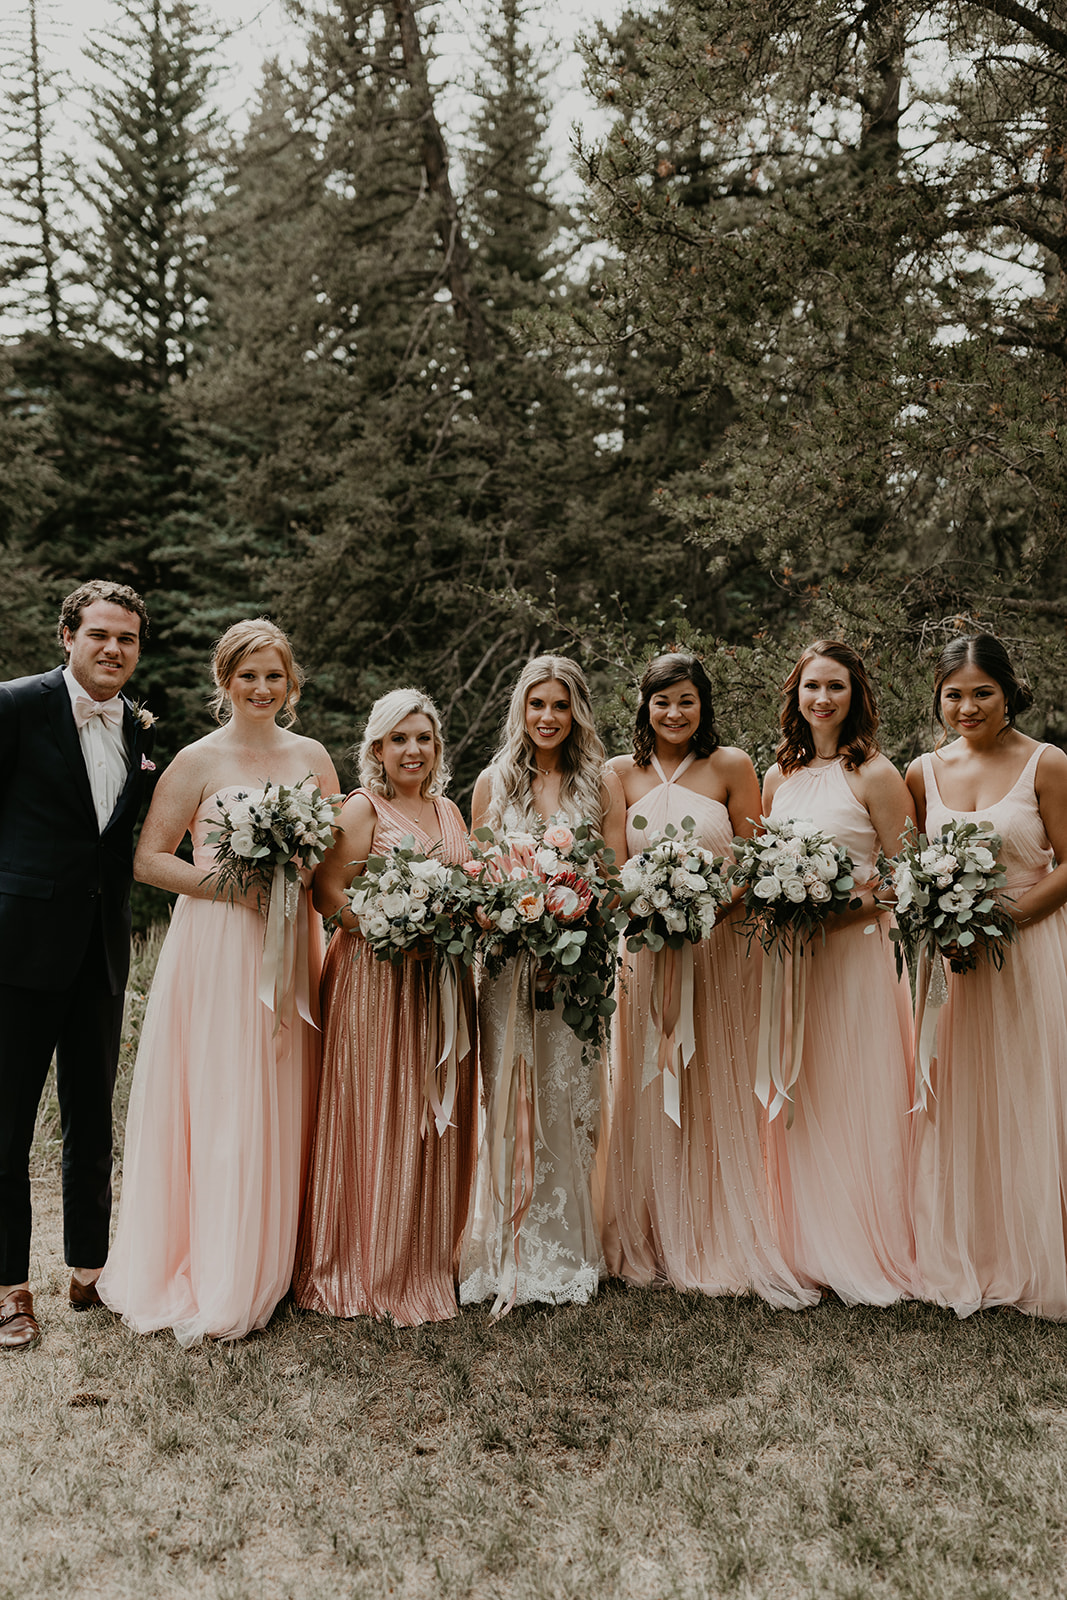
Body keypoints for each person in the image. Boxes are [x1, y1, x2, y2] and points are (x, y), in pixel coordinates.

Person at [97, 619, 337, 1345]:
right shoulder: (197, 762)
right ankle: (226, 1268)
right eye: (247, 676)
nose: (260, 689)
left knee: (287, 1086)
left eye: (273, 676)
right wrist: (231, 886)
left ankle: (287, 1257)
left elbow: (328, 859)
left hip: (293, 942)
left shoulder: (313, 756)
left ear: (291, 683)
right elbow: (148, 861)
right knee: (227, 1095)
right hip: (217, 944)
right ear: (224, 682)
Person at [599, 652, 818, 1308]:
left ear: (703, 705)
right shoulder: (617, 773)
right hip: (646, 952)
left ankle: (718, 1230)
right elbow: (613, 867)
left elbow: (753, 863)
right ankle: (646, 1232)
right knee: (647, 1078)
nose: (673, 713)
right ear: (644, 705)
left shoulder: (731, 767)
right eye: (662, 701)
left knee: (715, 1081)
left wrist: (701, 908)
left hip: (720, 949)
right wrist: (653, 909)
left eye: (686, 701)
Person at [0, 581, 154, 1350]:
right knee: (6, 1127)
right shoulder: (15, 705)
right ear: (68, 635)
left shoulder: (139, 724)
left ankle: (91, 1271)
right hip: (16, 950)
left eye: (125, 638)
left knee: (93, 1120)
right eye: (98, 634)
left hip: (100, 949)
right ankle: (8, 1288)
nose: (112, 649)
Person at [294, 689, 477, 1325]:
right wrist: (388, 926)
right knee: (377, 1110)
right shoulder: (361, 808)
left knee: (432, 1113)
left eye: (423, 738)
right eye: (399, 739)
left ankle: (424, 1256)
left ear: (436, 748)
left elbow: (468, 886)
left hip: (441, 985)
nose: (413, 750)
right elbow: (326, 892)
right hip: (373, 981)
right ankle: (363, 1259)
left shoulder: (450, 810)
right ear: (377, 748)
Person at [459, 655, 627, 1313]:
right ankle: (504, 1248)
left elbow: (612, 876)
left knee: (566, 1097)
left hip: (578, 966)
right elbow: (477, 878)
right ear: (520, 712)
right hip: (504, 968)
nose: (548, 717)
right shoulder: (490, 784)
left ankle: (564, 1249)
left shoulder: (600, 783)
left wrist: (575, 912)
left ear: (577, 711)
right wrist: (509, 914)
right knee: (509, 1099)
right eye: (537, 705)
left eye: (560, 705)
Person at [907, 635, 1067, 1318]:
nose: (966, 707)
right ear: (938, 698)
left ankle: (1039, 1252)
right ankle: (973, 1248)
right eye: (953, 694)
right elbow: (911, 871)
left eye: (981, 693)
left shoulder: (1045, 762)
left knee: (1032, 1092)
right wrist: (943, 925)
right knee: (966, 1099)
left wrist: (1001, 919)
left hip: (1029, 953)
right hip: (956, 969)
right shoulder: (920, 772)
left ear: (1007, 692)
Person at [762, 640, 916, 1304]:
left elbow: (904, 875)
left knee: (861, 1089)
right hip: (795, 961)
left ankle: (867, 1239)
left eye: (835, 687)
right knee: (810, 1092)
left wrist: (837, 908)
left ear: (855, 696)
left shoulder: (876, 774)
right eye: (810, 687)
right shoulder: (778, 776)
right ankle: (809, 1242)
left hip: (857, 955)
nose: (821, 698)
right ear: (794, 696)